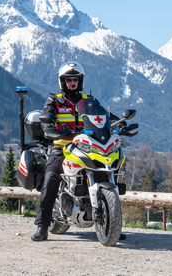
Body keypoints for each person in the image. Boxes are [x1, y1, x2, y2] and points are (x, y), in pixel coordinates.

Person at [31, 61, 125, 241]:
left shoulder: (89, 101)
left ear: (80, 81)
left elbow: (106, 117)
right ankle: (42, 226)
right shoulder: (55, 101)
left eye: (75, 80)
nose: (71, 83)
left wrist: (120, 122)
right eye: (68, 80)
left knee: (108, 172)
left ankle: (113, 225)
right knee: (51, 177)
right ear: (63, 82)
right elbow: (47, 120)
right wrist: (50, 128)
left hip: (87, 144)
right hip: (62, 146)